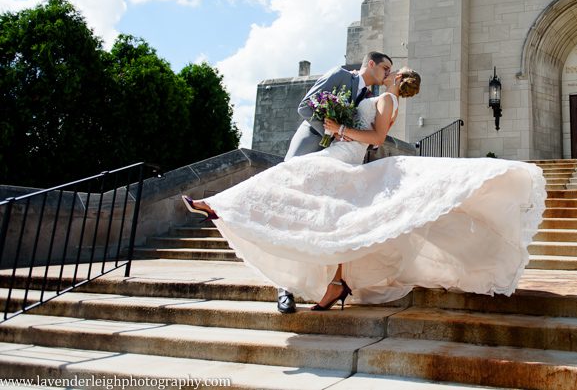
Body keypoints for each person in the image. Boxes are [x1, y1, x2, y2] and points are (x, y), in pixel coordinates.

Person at [182, 68, 546, 311]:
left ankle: (219, 206)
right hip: (339, 152)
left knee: (289, 176)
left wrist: (340, 130)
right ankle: (337, 282)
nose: (387, 73)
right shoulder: (380, 97)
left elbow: (377, 138)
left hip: (345, 157)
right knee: (338, 219)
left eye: (393, 71)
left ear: (399, 79)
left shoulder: (388, 101)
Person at [269, 51, 393, 312]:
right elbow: (304, 106)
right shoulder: (339, 75)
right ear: (370, 63)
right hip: (310, 144)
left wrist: (345, 135)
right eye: (384, 67)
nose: (387, 74)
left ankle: (319, 281)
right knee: (289, 206)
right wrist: (331, 131)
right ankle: (284, 287)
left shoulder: (370, 98)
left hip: (336, 159)